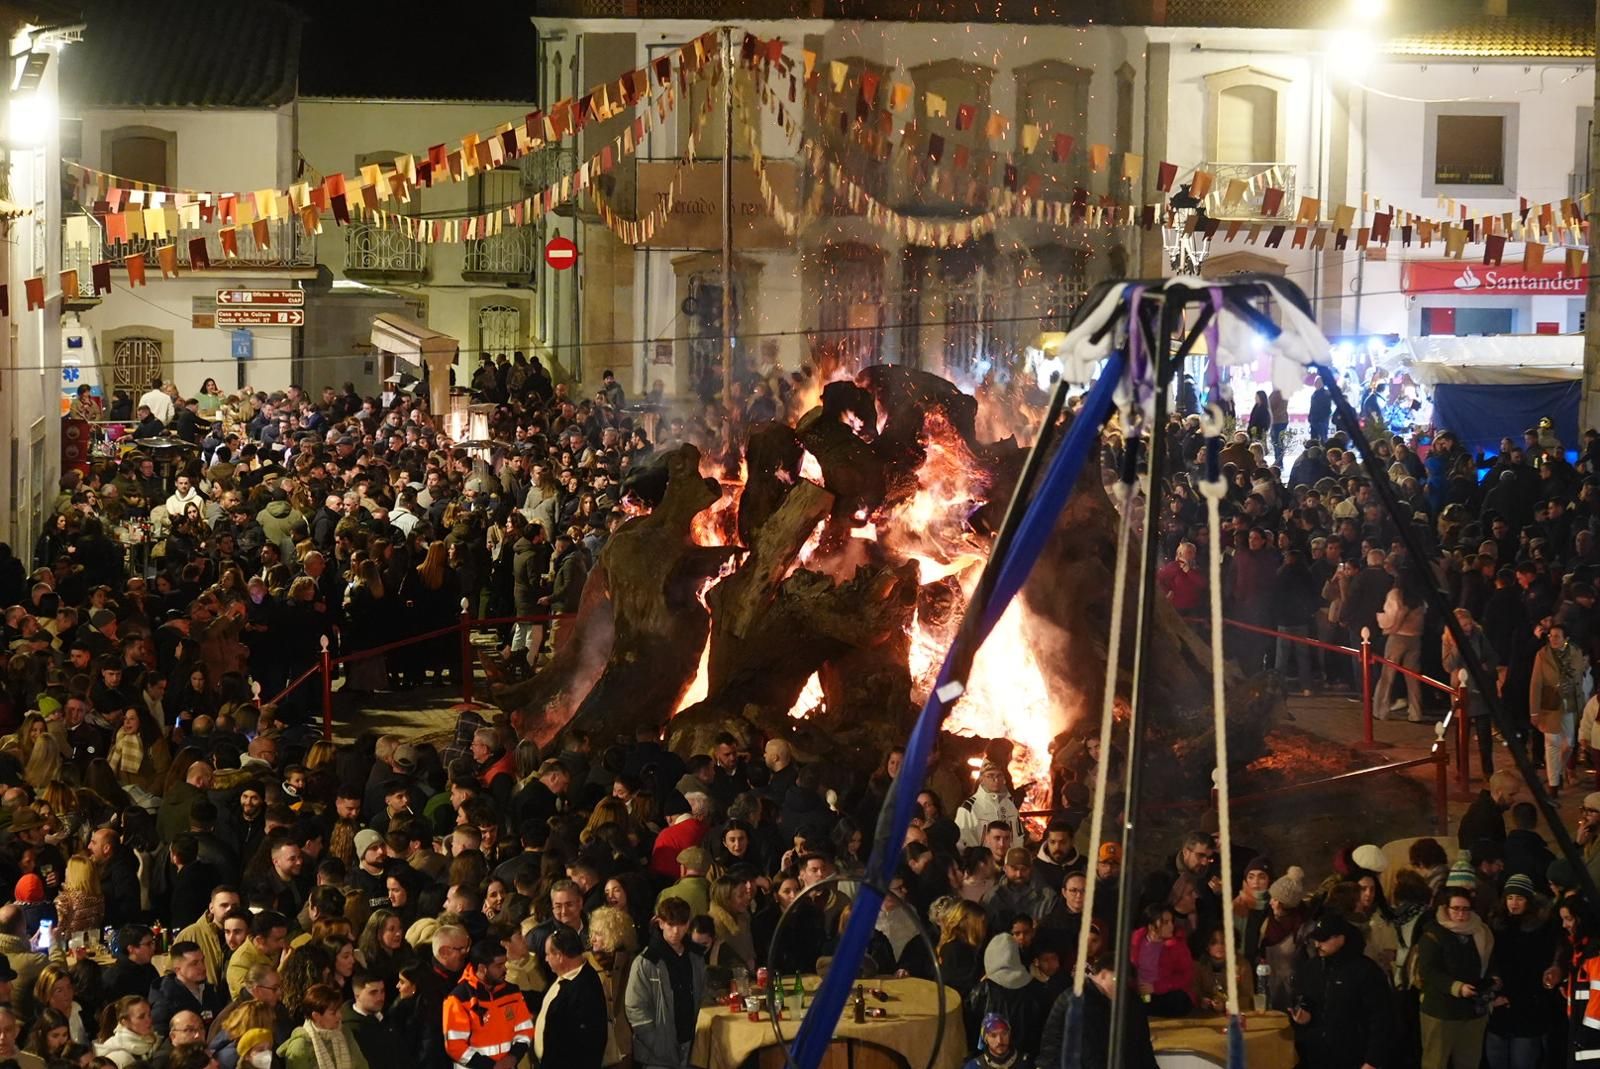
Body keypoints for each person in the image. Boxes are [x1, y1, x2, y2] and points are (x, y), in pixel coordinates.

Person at [1287, 914, 1395, 1069]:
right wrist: (1303, 1019)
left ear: (1341, 938)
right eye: (1316, 939)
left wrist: (1373, 1060)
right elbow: (1305, 1001)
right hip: (1315, 1055)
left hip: (1352, 1056)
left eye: (1323, 940)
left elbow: (1381, 1019)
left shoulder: (1365, 971)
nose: (1317, 944)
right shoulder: (1311, 968)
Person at [1414, 886, 1495, 1069]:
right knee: (1435, 1061)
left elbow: (1490, 961)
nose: (1461, 914)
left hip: (1473, 1010)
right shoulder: (1433, 934)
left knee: (1469, 1061)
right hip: (1441, 1011)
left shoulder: (1481, 932)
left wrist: (1493, 978)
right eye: (1456, 909)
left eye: (1466, 909)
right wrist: (1456, 987)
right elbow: (1428, 970)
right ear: (1445, 909)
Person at [624, 897, 705, 1069]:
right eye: (670, 924)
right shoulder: (646, 961)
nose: (676, 931)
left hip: (691, 1044)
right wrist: (656, 1042)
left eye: (681, 924)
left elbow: (702, 992)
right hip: (657, 1055)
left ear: (688, 924)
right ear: (660, 923)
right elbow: (635, 1007)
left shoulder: (695, 957)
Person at [533, 927, 607, 1069]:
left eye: (548, 954)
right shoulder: (566, 977)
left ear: (560, 956)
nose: (546, 959)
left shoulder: (584, 989)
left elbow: (584, 1044)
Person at [1531, 621, 1589, 794]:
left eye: (1557, 636)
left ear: (1566, 639)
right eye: (1551, 636)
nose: (1553, 639)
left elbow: (1579, 678)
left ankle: (1558, 771)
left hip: (1570, 702)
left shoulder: (1575, 653)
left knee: (1569, 743)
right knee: (1552, 743)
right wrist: (1534, 710)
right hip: (1550, 704)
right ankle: (1553, 783)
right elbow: (1536, 683)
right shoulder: (1542, 655)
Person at [277, 984, 368, 1069]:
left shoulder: (344, 1032)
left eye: (339, 1010)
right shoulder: (300, 1045)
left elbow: (361, 1065)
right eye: (333, 1013)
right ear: (316, 1016)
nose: (340, 1016)